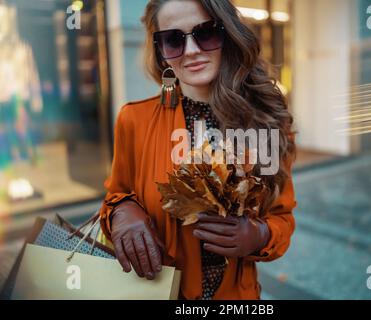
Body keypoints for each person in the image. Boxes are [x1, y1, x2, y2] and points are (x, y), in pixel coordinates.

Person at [99, 0, 297, 300]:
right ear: (161, 52)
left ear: (228, 36)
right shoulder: (133, 120)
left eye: (205, 33)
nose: (191, 50)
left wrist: (260, 235)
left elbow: (281, 218)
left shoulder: (264, 122)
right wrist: (123, 212)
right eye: (173, 39)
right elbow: (115, 196)